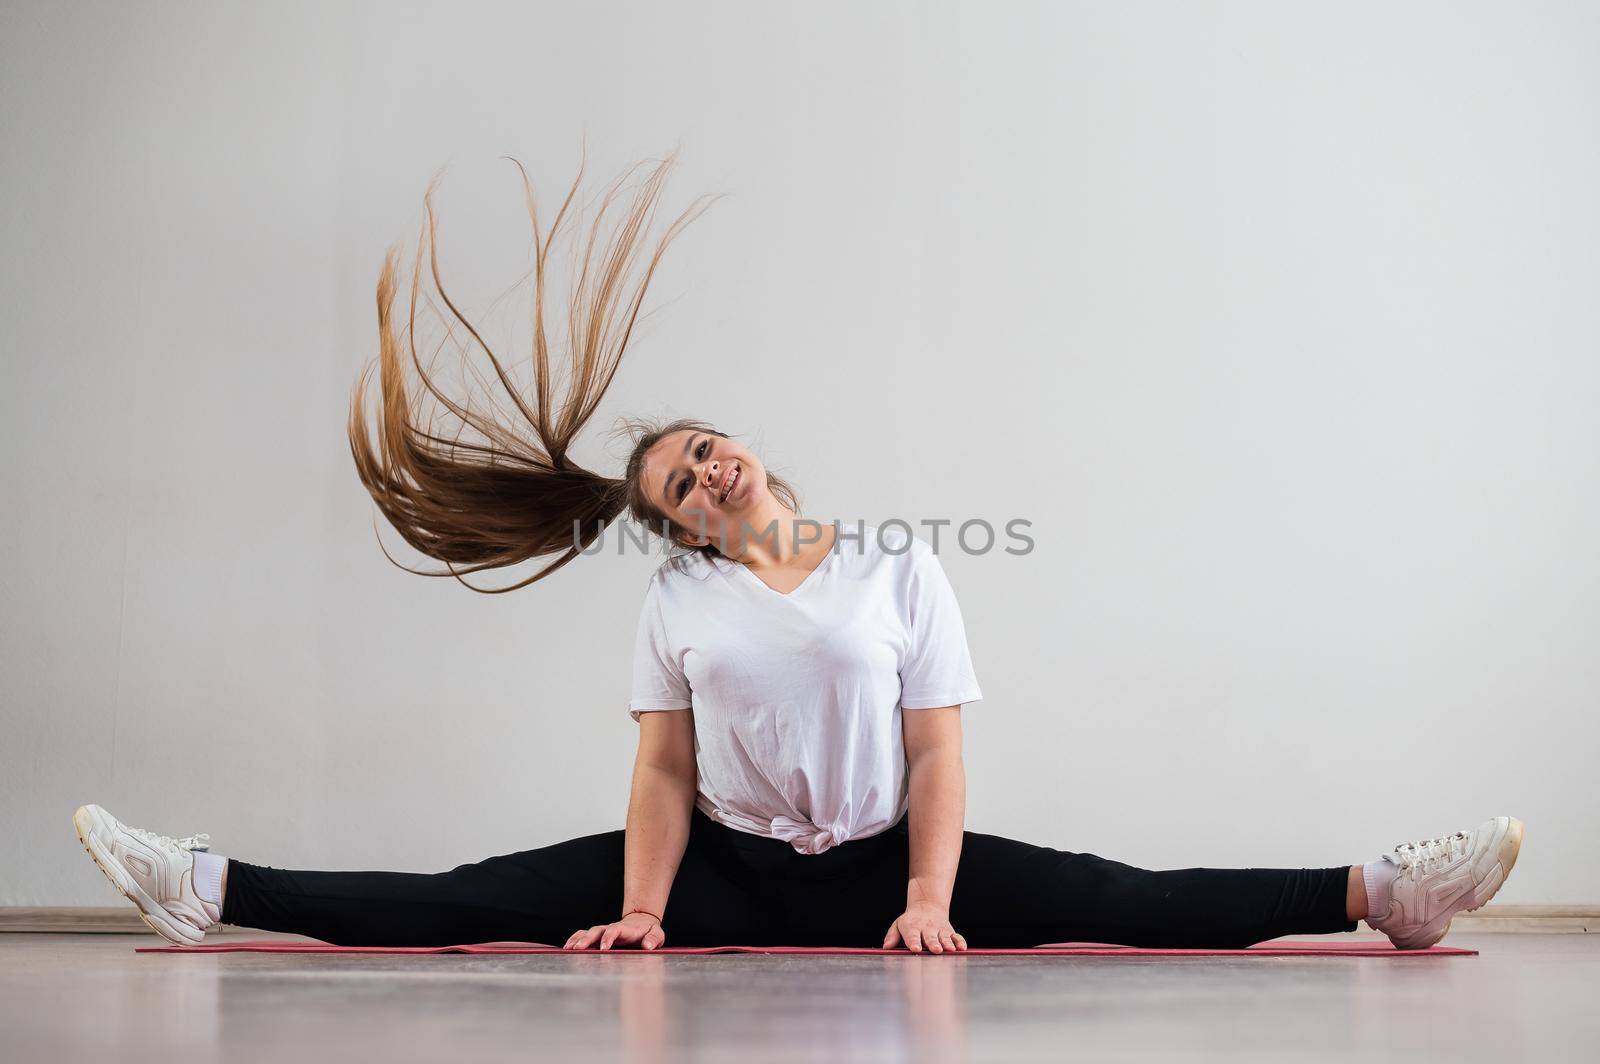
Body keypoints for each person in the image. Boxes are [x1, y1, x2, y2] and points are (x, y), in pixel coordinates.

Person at [72, 153, 1523, 954]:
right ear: (680, 525)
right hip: (729, 874)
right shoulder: (677, 602)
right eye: (678, 485)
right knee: (480, 896)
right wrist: (642, 910)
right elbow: (659, 771)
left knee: (1117, 898)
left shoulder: (895, 566)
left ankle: (1384, 894)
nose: (705, 471)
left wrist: (931, 906)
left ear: (741, 449)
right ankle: (205, 886)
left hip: (896, 864)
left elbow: (940, 757)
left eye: (703, 445)